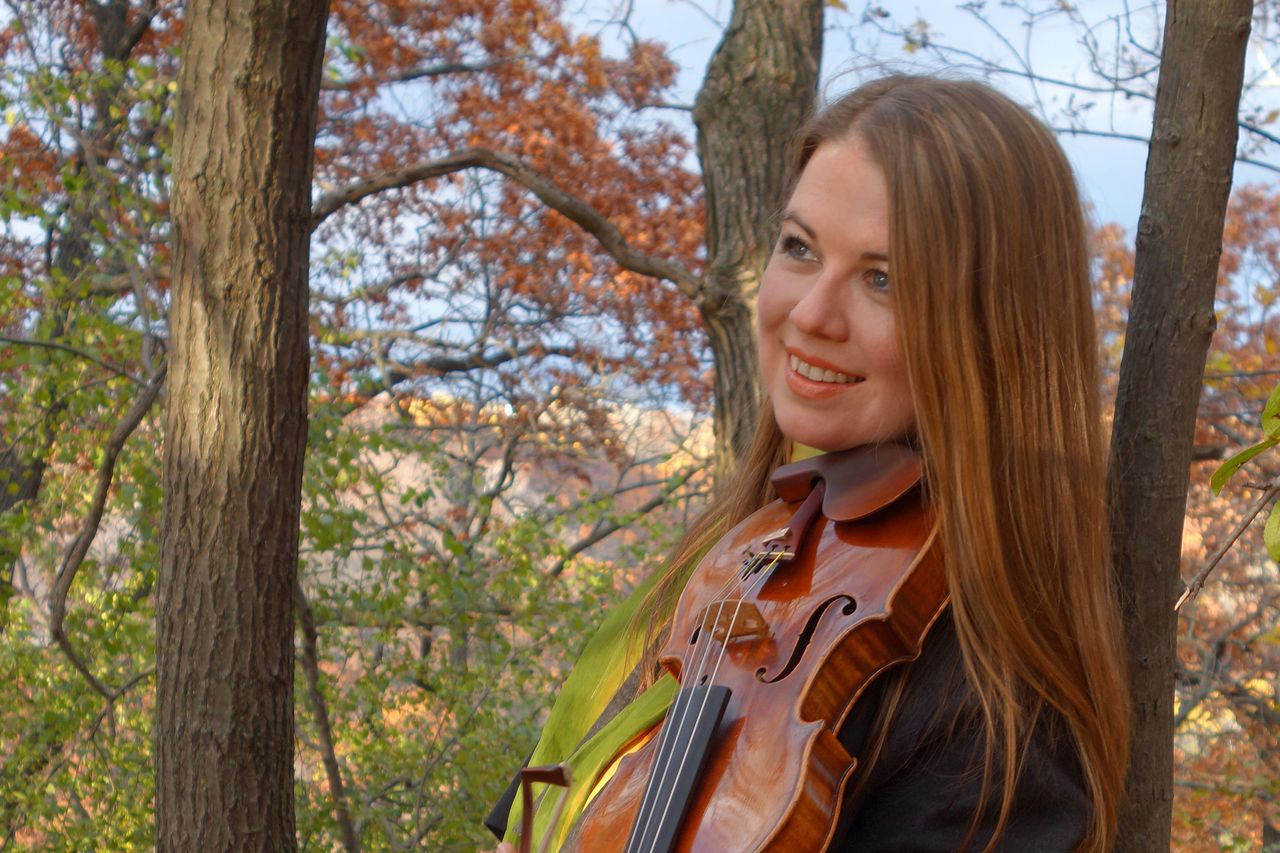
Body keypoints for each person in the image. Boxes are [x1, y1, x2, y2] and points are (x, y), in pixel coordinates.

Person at [485, 74, 1131, 852]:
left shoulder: (996, 727)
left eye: (883, 279)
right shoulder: (741, 563)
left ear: (992, 331)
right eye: (800, 248)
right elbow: (538, 820)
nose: (811, 313)